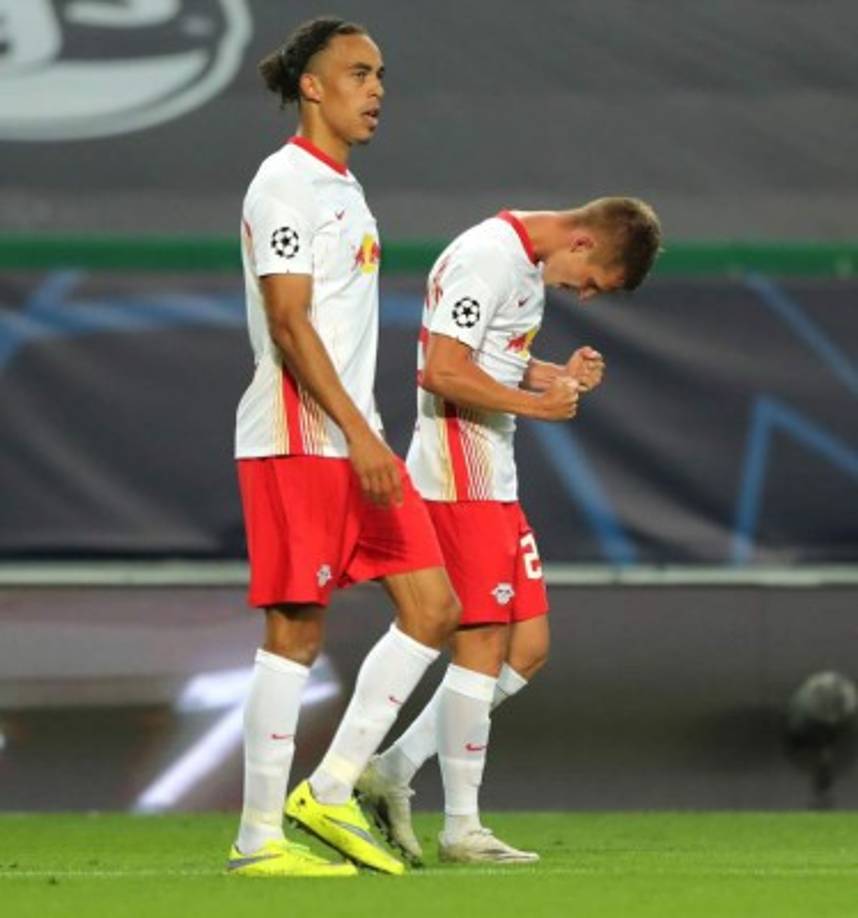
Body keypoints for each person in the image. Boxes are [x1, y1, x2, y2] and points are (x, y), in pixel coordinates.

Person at [228, 17, 463, 878]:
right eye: (359, 73)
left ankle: (328, 791)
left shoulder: (345, 189)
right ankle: (257, 840)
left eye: (381, 75)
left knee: (434, 607)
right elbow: (288, 323)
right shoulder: (282, 183)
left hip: (356, 436)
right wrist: (361, 434)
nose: (378, 90)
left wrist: (366, 433)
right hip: (299, 434)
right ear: (313, 86)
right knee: (295, 628)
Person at [357, 199, 662, 864]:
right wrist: (537, 405)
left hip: (495, 472)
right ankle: (460, 827)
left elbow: (487, 359)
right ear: (582, 242)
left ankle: (391, 769)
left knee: (527, 647)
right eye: (593, 281)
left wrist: (552, 375)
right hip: (457, 470)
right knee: (482, 640)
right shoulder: (487, 257)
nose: (584, 294)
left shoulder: (525, 264)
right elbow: (441, 371)